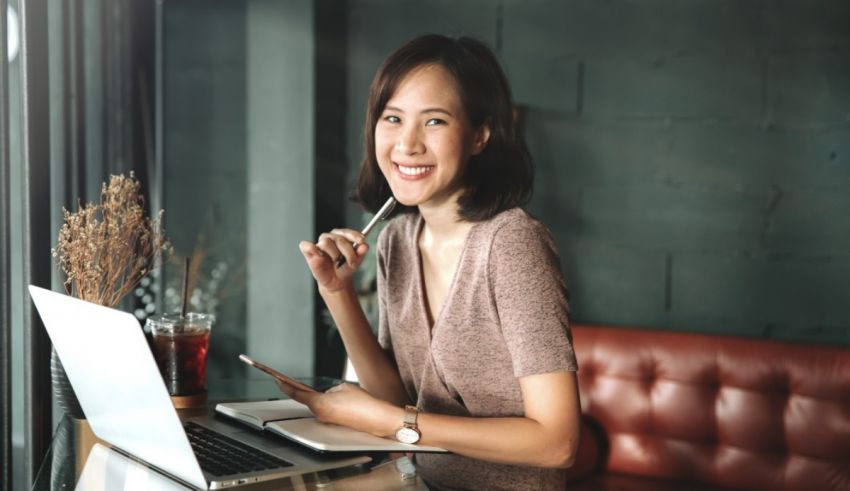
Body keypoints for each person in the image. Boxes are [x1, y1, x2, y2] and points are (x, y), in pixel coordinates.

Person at [283, 34, 581, 491]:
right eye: (393, 118)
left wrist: (390, 422)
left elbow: (557, 443)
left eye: (435, 121)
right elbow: (399, 397)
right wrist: (337, 292)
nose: (407, 143)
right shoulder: (397, 240)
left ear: (480, 135)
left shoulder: (512, 242)